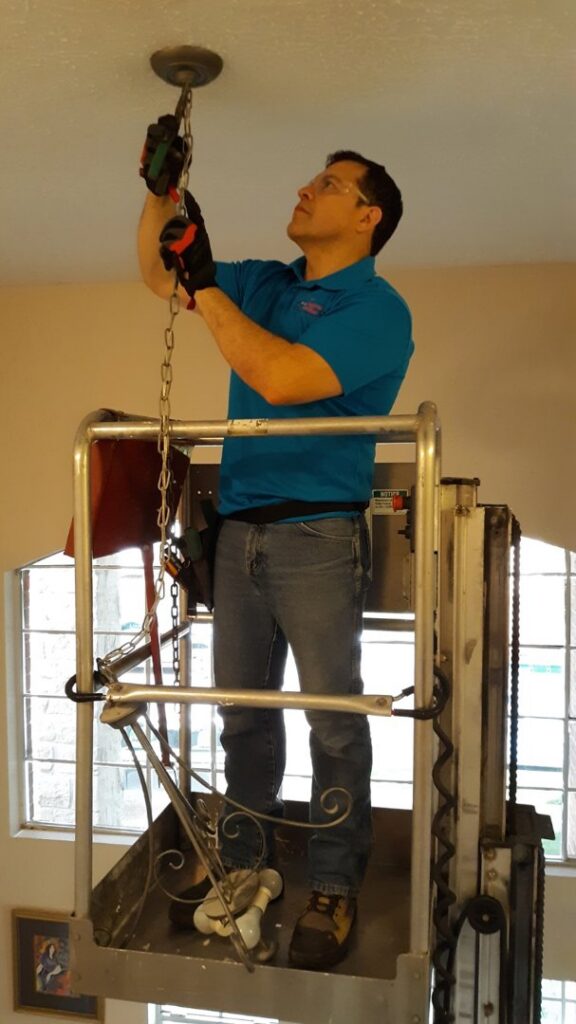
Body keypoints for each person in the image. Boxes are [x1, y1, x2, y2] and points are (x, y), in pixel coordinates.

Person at [138, 138, 414, 969]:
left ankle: (334, 884)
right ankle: (244, 863)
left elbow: (282, 377)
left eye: (327, 185)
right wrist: (163, 193)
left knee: (332, 723)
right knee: (243, 717)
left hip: (318, 536)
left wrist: (210, 282)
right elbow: (161, 276)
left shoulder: (380, 310)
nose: (303, 188)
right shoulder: (269, 281)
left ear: (367, 218)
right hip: (242, 531)